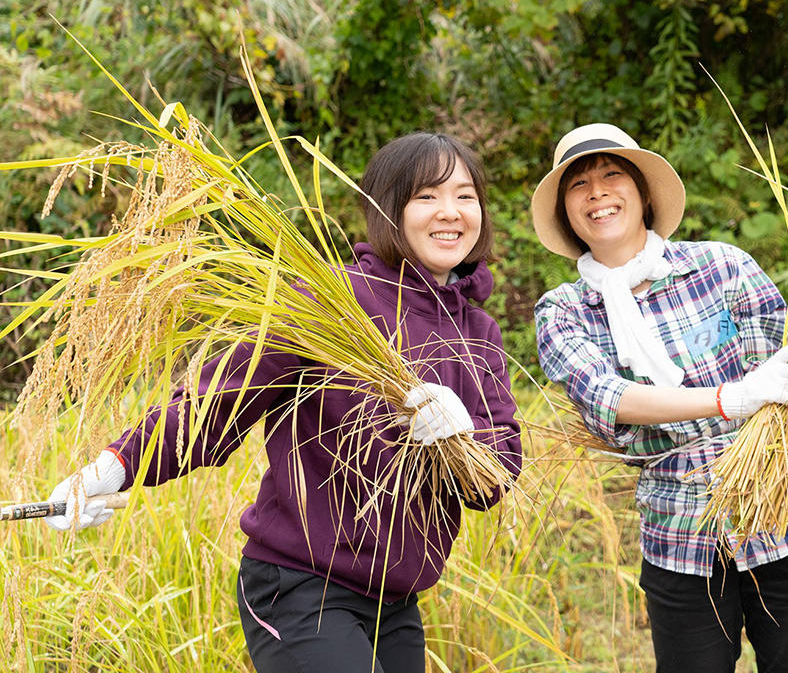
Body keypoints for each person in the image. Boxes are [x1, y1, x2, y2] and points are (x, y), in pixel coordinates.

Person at [44, 132, 523, 673]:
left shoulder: (479, 332)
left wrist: (462, 437)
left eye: (465, 195)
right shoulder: (330, 302)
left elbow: (498, 472)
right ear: (389, 210)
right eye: (427, 196)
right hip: (299, 587)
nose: (451, 213)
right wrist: (112, 467)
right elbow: (216, 405)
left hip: (395, 599)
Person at [531, 123, 788, 672]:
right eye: (579, 184)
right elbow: (609, 397)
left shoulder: (720, 265)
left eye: (611, 174)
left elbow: (785, 369)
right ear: (567, 214)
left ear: (642, 192)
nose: (597, 192)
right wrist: (727, 400)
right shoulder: (564, 311)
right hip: (681, 537)